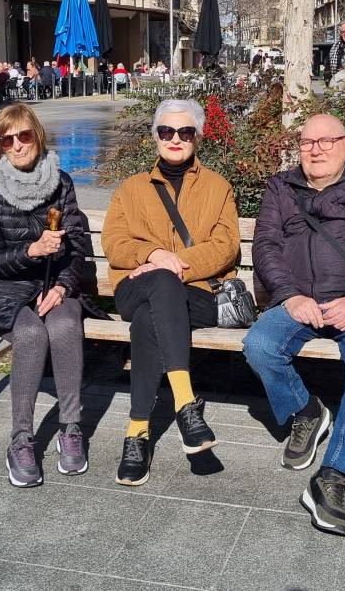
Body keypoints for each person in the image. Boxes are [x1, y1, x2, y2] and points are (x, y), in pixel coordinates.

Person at [242, 113, 345, 537]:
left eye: (326, 141)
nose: (316, 149)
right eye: (307, 142)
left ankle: (333, 477)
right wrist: (291, 296)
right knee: (259, 345)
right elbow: (266, 247)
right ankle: (308, 410)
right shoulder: (281, 187)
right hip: (299, 301)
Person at [101, 99, 240, 487]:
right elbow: (113, 242)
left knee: (151, 316)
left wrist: (173, 262)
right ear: (155, 137)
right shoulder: (131, 189)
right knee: (157, 287)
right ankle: (185, 403)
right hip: (135, 284)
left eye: (184, 132)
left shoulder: (218, 187)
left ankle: (136, 432)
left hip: (195, 291)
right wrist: (150, 254)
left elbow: (226, 245)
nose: (175, 139)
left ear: (197, 137)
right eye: (166, 131)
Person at [0, 103, 92, 487]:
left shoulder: (61, 182)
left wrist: (65, 285)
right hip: (0, 288)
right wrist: (30, 251)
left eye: (24, 136)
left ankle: (70, 427)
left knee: (66, 324)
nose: (17, 145)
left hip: (53, 282)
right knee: (32, 334)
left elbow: (77, 245)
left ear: (38, 135)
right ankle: (20, 438)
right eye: (7, 139)